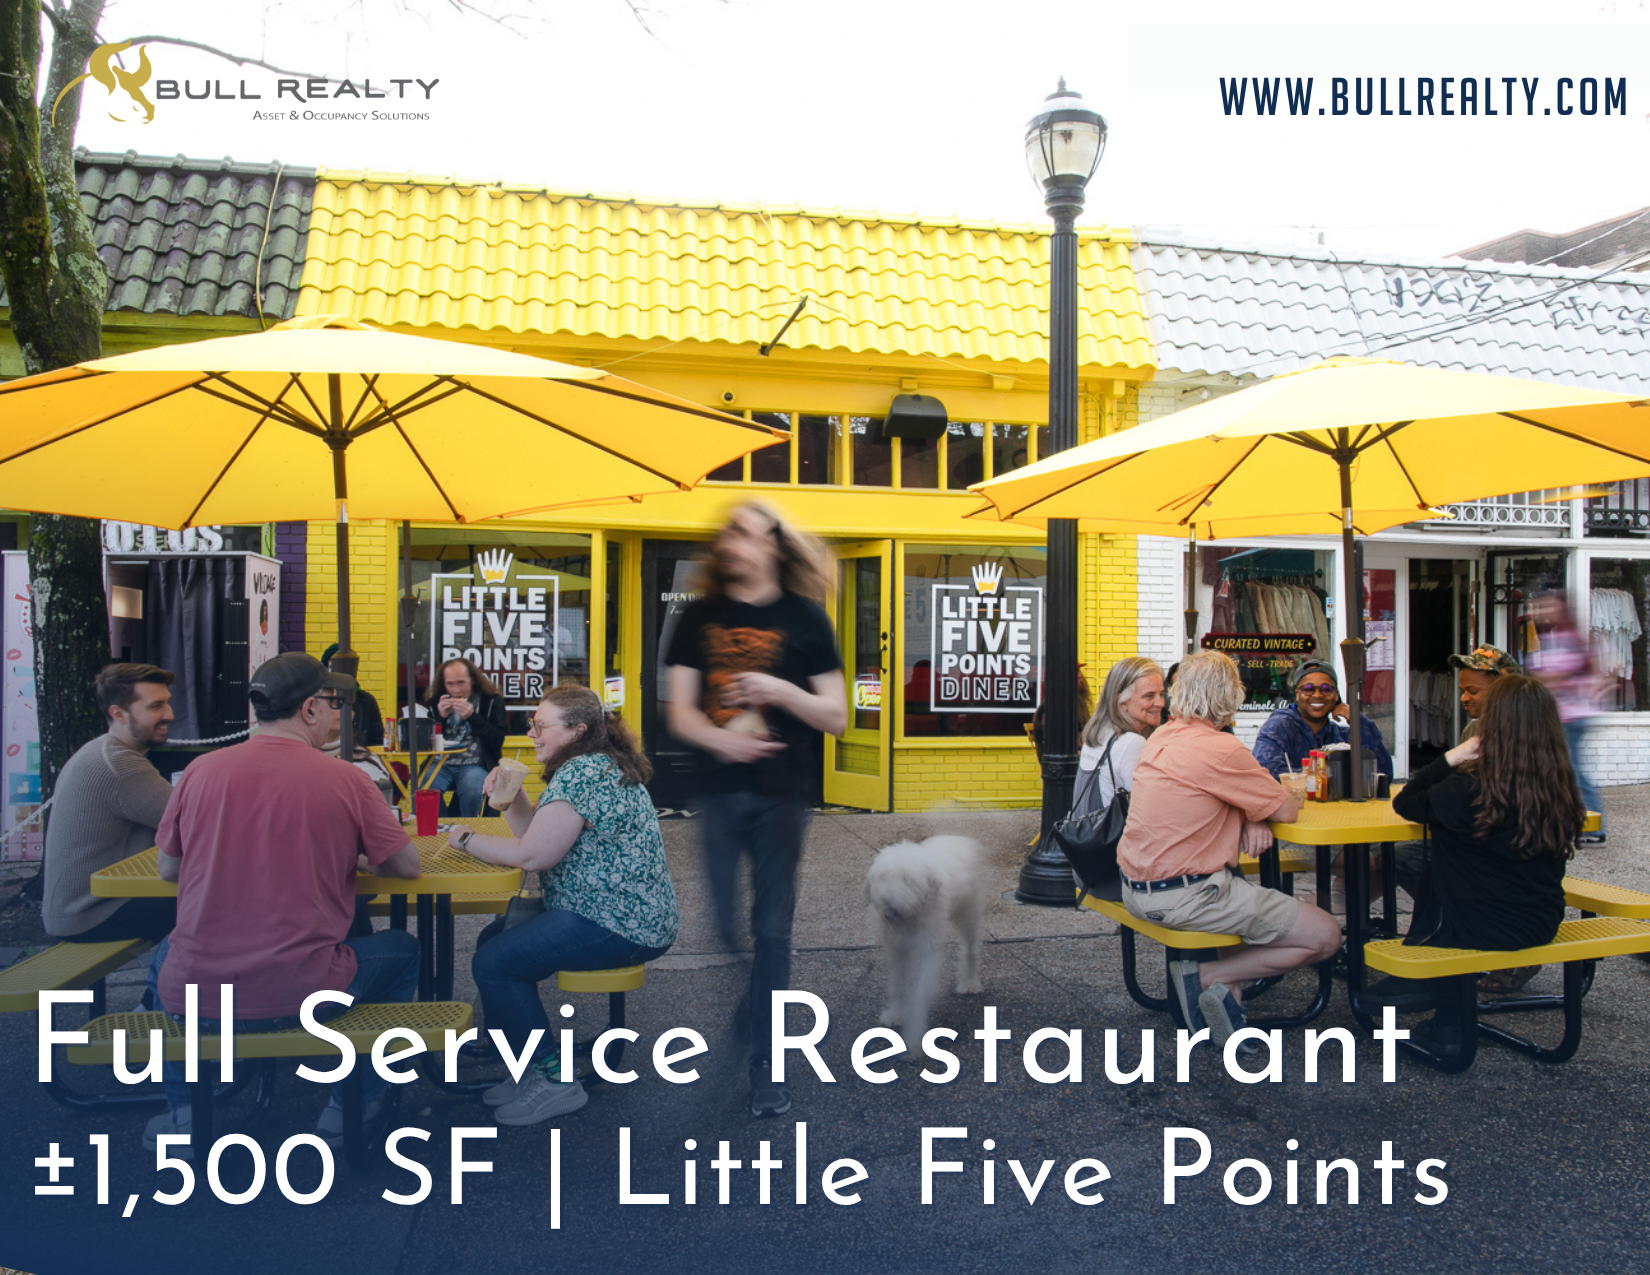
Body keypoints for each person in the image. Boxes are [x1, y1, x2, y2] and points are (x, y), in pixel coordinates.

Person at [143, 652, 422, 1152]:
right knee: (404, 950)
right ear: (310, 708)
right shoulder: (347, 779)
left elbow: (169, 869)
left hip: (201, 996)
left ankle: (184, 1112)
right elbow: (405, 867)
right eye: (333, 702)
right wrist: (355, 858)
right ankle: (355, 1102)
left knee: (168, 952)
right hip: (303, 992)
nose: (336, 712)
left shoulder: (200, 772)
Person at [665, 500, 846, 1117]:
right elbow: (680, 711)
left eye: (745, 532)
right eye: (728, 532)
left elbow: (837, 716)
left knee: (771, 931)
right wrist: (723, 742)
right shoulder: (699, 616)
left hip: (781, 795)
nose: (731, 541)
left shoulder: (806, 618)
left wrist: (779, 690)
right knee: (723, 927)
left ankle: (767, 1064)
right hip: (718, 793)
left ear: (773, 544)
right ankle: (758, 995)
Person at [459, 686, 678, 1125]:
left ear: (577, 731)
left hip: (619, 921)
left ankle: (554, 1080)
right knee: (493, 939)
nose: (532, 733)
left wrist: (463, 838)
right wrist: (511, 793)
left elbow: (531, 856)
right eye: (532, 724)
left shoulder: (583, 773)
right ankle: (528, 1067)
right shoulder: (592, 765)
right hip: (612, 909)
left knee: (495, 963)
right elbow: (539, 835)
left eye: (542, 725)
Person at [1116, 650, 1342, 1049]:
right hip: (1190, 896)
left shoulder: (1161, 737)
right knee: (1325, 935)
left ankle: (1227, 1004)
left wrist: (1249, 814)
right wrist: (1255, 812)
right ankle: (1206, 977)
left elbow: (1208, 792)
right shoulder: (1221, 748)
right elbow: (1286, 809)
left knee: (1235, 899)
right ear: (1229, 696)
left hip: (1135, 890)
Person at [1380, 676, 1583, 1059]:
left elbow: (1406, 801)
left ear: (1493, 726)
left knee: (1437, 876)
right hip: (1540, 920)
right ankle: (1438, 999)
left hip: (1478, 926)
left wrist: (1453, 756)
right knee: (1444, 870)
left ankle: (1449, 1023)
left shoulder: (1467, 788)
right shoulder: (1558, 785)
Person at [43, 664, 179, 944]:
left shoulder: (103, 750)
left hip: (77, 909)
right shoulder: (119, 765)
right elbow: (194, 821)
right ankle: (169, 974)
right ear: (118, 714)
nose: (169, 714)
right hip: (92, 912)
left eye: (167, 702)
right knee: (221, 903)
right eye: (156, 706)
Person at [1525, 593, 1606, 845]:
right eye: (1541, 607)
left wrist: (1536, 677)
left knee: (1572, 771)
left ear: (1562, 610)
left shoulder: (1569, 640)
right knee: (1558, 770)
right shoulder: (1551, 639)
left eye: (1549, 606)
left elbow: (1557, 677)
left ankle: (1594, 828)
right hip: (1557, 716)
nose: (1542, 611)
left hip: (1570, 717)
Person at [1251, 658, 1394, 782]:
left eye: (1326, 689)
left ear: (1336, 696)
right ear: (1297, 695)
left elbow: (1383, 774)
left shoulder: (1340, 736)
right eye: (1308, 689)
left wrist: (1358, 721)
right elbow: (1266, 772)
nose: (1318, 695)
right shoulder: (1280, 726)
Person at [1073, 657, 1165, 817]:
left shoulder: (1099, 733)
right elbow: (1146, 811)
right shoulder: (1132, 742)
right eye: (1149, 696)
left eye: (1161, 694)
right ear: (1122, 701)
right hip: (1116, 833)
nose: (1160, 703)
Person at [425, 657, 508, 816]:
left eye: (461, 683)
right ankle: (440, 827)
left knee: (472, 792)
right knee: (425, 790)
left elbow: (497, 739)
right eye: (450, 684)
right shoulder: (435, 703)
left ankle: (469, 829)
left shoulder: (490, 702)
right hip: (441, 763)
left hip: (474, 764)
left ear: (473, 680)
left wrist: (472, 716)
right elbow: (426, 742)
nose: (456, 690)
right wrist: (440, 718)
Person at [320, 643, 385, 748]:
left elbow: (377, 738)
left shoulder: (366, 700)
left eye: (346, 667)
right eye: (333, 666)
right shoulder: (319, 698)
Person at [1449, 644, 1520, 739]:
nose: (1463, 699)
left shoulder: (1528, 733)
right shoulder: (1472, 730)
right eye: (1462, 692)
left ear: (1502, 691)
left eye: (1473, 691)